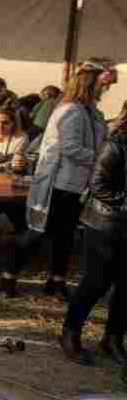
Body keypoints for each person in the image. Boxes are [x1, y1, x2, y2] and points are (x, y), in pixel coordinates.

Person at [0, 62, 111, 299]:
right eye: (103, 85)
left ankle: (56, 280)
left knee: (65, 234)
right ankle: (8, 275)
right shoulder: (71, 111)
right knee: (38, 231)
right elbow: (71, 148)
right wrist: (101, 157)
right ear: (91, 85)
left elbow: (94, 139)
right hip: (60, 182)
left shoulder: (88, 111)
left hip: (76, 183)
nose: (105, 90)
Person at [60, 102, 127, 365]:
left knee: (126, 288)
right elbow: (98, 185)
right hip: (105, 225)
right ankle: (70, 332)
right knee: (96, 283)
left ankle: (112, 339)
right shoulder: (116, 145)